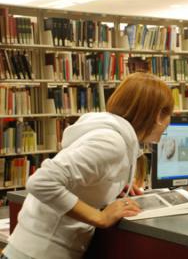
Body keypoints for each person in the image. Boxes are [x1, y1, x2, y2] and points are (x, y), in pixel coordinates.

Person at [2, 72, 174, 259]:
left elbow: (79, 180)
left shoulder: (113, 134)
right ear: (158, 115)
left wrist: (111, 185)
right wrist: (99, 217)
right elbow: (41, 182)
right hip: (41, 252)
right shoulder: (111, 142)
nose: (168, 123)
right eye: (169, 115)